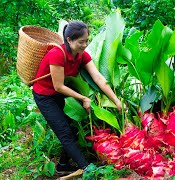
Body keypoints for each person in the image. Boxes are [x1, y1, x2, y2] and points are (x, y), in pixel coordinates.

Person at [32, 21, 123, 175]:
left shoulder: (82, 56)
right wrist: (84, 98)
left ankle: (63, 165)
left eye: (87, 41)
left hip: (61, 94)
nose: (85, 45)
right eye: (81, 42)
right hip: (45, 96)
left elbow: (99, 79)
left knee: (72, 129)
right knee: (64, 132)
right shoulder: (57, 54)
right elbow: (58, 86)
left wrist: (117, 101)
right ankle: (88, 169)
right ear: (69, 40)